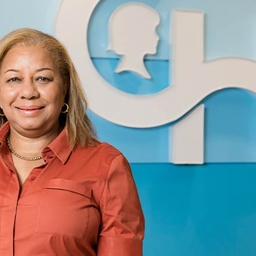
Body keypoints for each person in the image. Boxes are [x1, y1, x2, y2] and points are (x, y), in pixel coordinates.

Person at [0, 28, 144, 256]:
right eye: (14, 79)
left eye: (42, 78)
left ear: (65, 87)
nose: (28, 92)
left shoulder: (106, 165)